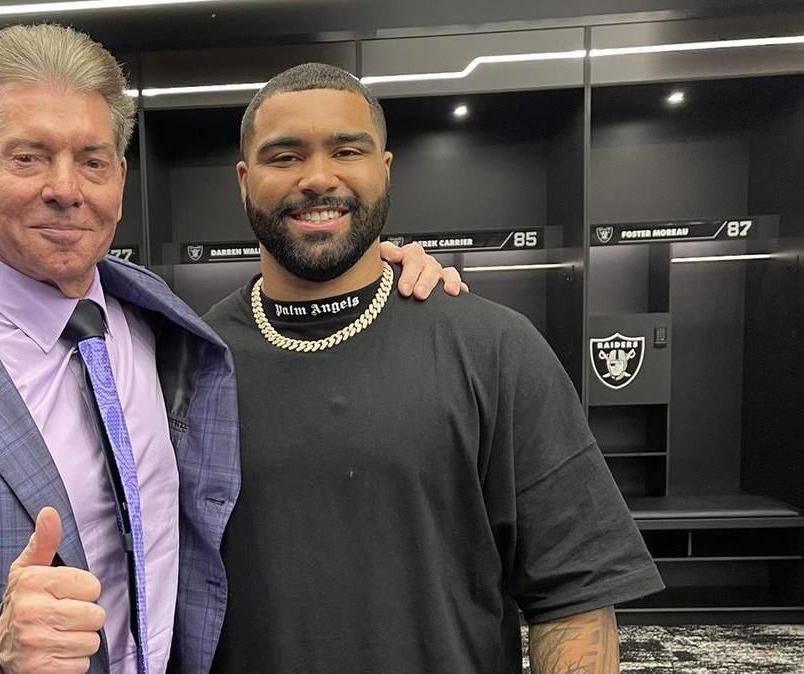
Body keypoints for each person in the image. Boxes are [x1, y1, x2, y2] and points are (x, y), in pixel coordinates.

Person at [0, 26, 463, 674]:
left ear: (120, 183)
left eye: (92, 161)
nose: (64, 189)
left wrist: (381, 273)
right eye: (30, 156)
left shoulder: (176, 335)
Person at [203, 63, 665, 674]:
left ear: (384, 170)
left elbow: (573, 597)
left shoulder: (495, 347)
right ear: (244, 180)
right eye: (284, 156)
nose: (318, 178)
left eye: (347, 149)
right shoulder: (191, 361)